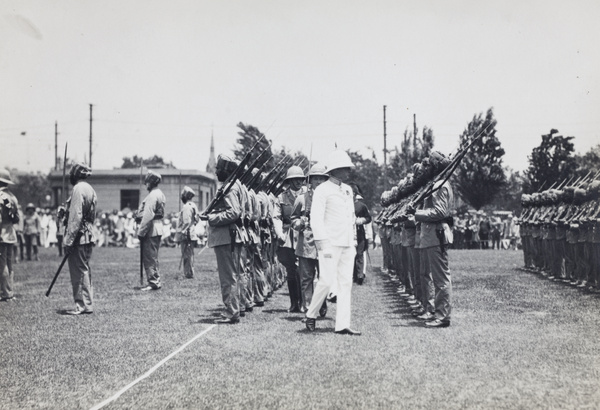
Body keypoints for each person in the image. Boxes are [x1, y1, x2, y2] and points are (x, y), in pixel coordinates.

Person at [304, 150, 360, 335]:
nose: (348, 172)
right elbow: (316, 218)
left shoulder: (347, 190)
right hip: (329, 242)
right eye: (344, 168)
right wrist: (321, 241)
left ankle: (342, 324)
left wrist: (353, 240)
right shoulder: (322, 190)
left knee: (345, 284)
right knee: (326, 281)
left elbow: (351, 217)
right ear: (335, 170)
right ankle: (311, 314)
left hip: (346, 243)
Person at [408, 152, 454, 328]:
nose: (424, 169)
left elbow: (440, 212)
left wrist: (416, 214)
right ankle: (438, 312)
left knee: (441, 279)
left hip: (436, 234)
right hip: (430, 235)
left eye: (428, 166)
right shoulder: (435, 184)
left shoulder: (441, 184)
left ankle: (443, 316)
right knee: (435, 278)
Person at [202, 155, 244, 324]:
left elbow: (234, 212)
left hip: (227, 237)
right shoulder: (233, 186)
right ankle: (234, 308)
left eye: (219, 169)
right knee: (232, 275)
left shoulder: (230, 188)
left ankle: (231, 311)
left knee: (228, 276)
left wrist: (211, 218)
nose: (216, 171)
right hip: (230, 237)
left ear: (226, 171)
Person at [291, 163, 329, 315]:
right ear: (310, 181)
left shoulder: (328, 199)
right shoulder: (302, 199)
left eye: (322, 179)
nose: (318, 182)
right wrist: (300, 222)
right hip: (306, 243)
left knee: (325, 277)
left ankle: (322, 302)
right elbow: (293, 219)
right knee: (306, 278)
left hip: (324, 242)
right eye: (316, 179)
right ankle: (308, 309)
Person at [63, 163, 97, 315]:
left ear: (75, 174)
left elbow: (76, 216)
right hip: (88, 234)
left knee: (79, 270)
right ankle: (87, 303)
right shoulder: (90, 188)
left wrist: (69, 240)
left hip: (79, 236)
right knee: (85, 269)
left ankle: (82, 305)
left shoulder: (78, 189)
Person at [273, 165, 305, 313]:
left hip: (304, 234)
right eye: (295, 179)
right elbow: (276, 216)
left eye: (300, 179)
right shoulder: (281, 197)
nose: (298, 182)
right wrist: (279, 233)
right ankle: (294, 303)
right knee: (291, 270)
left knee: (304, 270)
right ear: (289, 181)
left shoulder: (308, 195)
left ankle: (306, 302)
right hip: (288, 236)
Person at [136, 170, 166, 291]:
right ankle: (155, 279)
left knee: (149, 257)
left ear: (151, 182)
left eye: (147, 182)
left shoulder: (152, 195)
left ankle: (153, 281)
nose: (146, 185)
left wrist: (141, 232)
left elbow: (148, 215)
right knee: (153, 257)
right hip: (157, 226)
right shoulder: (160, 194)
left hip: (151, 228)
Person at [0, 169, 19, 301]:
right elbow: (16, 218)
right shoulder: (13, 197)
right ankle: (9, 290)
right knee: (9, 262)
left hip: (1, 232)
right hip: (10, 232)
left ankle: (6, 292)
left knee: (2, 264)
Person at [175, 186, 198, 279]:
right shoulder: (193, 205)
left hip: (186, 234)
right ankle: (189, 272)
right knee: (189, 254)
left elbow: (186, 221)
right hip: (191, 232)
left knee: (186, 255)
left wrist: (183, 232)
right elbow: (197, 219)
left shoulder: (186, 207)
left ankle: (188, 273)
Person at [351, 184, 372, 285]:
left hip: (359, 233)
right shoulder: (344, 205)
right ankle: (353, 275)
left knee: (359, 254)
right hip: (348, 233)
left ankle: (360, 275)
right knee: (351, 255)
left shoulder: (361, 206)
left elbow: (368, 218)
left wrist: (362, 220)